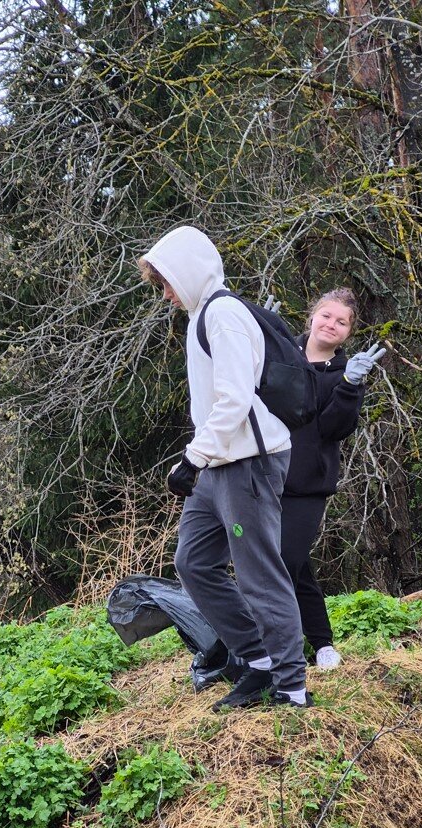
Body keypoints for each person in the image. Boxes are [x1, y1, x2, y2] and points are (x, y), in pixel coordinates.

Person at [138, 225, 311, 710]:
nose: (166, 295)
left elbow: (235, 398)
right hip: (216, 463)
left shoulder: (223, 314)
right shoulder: (201, 316)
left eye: (167, 282)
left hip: (248, 463)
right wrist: (199, 458)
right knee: (192, 562)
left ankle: (292, 687)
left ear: (189, 271)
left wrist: (192, 458)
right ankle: (258, 660)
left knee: (260, 574)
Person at [280, 288, 385, 670]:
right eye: (326, 315)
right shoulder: (281, 351)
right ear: (312, 316)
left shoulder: (344, 373)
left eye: (342, 322)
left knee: (285, 561)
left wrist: (350, 386)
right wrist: (252, 335)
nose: (331, 325)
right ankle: (322, 642)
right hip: (262, 475)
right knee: (294, 566)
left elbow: (333, 429)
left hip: (307, 484)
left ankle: (276, 648)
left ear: (348, 332)